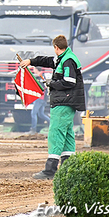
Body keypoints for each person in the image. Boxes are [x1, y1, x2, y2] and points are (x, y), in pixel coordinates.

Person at [20, 35, 85, 179]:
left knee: (55, 134)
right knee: (67, 136)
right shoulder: (64, 57)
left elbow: (69, 81)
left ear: (56, 47)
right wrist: (31, 61)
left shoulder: (67, 61)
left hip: (63, 103)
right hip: (68, 103)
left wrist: (51, 83)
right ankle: (69, 170)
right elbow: (48, 61)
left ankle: (50, 170)